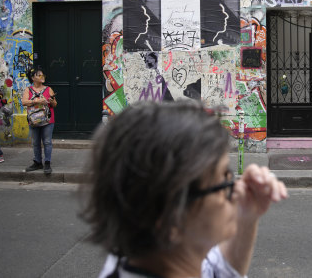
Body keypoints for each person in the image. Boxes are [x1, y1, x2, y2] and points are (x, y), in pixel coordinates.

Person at [81, 101, 288, 278]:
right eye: (223, 182)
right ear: (172, 217)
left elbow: (220, 269)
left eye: (229, 176)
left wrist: (247, 217)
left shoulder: (151, 251)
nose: (235, 192)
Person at [22, 67, 57, 174]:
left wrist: (51, 101)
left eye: (43, 75)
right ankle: (37, 162)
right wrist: (37, 101)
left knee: (47, 142)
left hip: (47, 120)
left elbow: (55, 104)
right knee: (35, 142)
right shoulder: (28, 90)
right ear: (33, 78)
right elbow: (24, 102)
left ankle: (47, 162)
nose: (42, 77)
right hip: (34, 120)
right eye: (39, 75)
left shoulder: (48, 89)